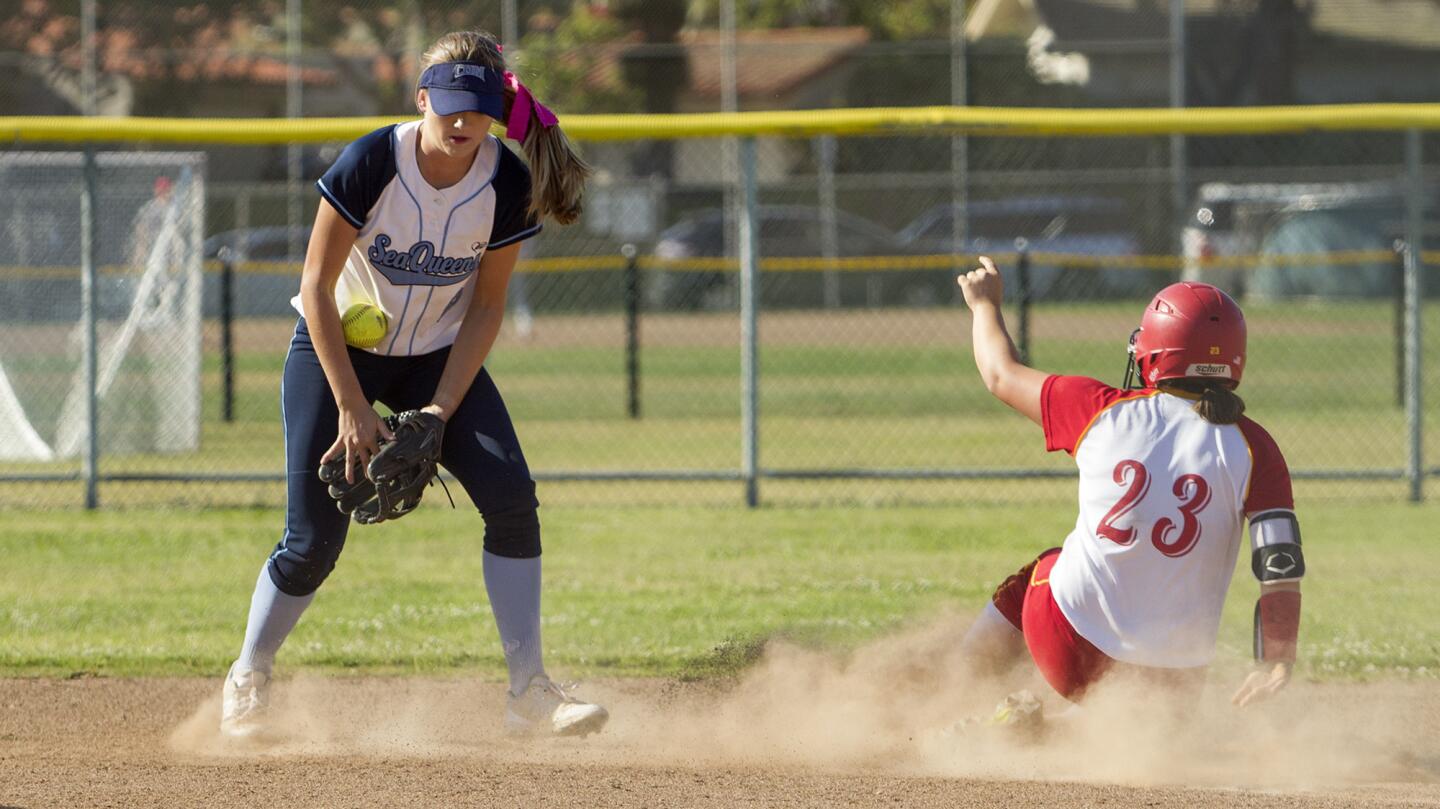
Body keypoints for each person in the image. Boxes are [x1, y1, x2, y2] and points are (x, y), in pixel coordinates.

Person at [220, 30, 607, 739]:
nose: (462, 123)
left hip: (435, 358)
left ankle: (529, 692)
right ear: (422, 98)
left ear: (498, 109)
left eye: (478, 108)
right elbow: (314, 284)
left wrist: (436, 412)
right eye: (450, 106)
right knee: (313, 541)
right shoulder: (374, 161)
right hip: (340, 348)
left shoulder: (505, 184)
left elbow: (487, 308)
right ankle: (249, 674)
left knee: (513, 502)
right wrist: (350, 405)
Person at [955, 257, 1304, 714]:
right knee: (1149, 723)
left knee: (1046, 568)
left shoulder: (1099, 410)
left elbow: (999, 373)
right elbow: (1278, 565)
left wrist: (985, 305)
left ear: (1156, 352)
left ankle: (952, 688)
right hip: (1173, 688)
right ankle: (1074, 726)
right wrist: (1275, 660)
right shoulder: (1256, 446)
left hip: (1070, 648)